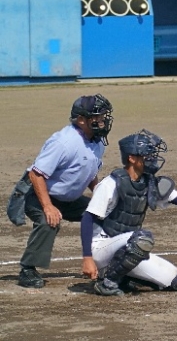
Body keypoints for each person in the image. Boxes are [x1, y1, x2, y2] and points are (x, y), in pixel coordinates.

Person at [80, 129, 177, 296]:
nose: (152, 159)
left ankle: (123, 277)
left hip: (127, 247)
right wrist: (87, 258)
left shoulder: (150, 184)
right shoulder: (111, 183)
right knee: (142, 238)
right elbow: (87, 218)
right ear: (132, 158)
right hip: (101, 247)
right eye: (147, 155)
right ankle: (108, 282)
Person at [16, 94, 114, 288]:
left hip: (68, 198)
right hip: (37, 194)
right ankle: (27, 270)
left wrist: (99, 193)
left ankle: (104, 262)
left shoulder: (97, 141)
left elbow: (89, 170)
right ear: (81, 120)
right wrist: (48, 206)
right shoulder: (64, 142)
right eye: (97, 116)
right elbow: (36, 174)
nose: (103, 120)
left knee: (104, 214)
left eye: (104, 115)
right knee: (49, 221)